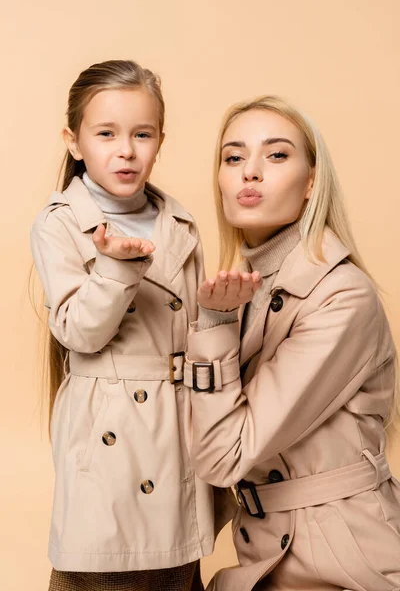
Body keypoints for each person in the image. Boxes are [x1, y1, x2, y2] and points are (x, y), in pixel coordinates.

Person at [183, 95, 400, 591]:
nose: (250, 172)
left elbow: (223, 456)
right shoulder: (243, 288)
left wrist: (214, 323)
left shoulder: (343, 296)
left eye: (276, 155)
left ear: (311, 183)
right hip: (263, 552)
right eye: (233, 157)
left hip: (345, 559)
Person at [31, 59, 228, 591]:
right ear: (74, 142)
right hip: (107, 429)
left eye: (142, 133)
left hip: (175, 427)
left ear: (161, 140)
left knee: (173, 567)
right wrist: (116, 267)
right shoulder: (61, 222)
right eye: (106, 133)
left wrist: (224, 313)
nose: (127, 149)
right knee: (103, 569)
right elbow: (79, 331)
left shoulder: (179, 223)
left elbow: (194, 333)